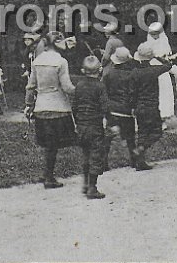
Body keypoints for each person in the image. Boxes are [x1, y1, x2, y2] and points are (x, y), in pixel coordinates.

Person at [24, 31, 77, 188]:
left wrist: (28, 104)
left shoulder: (37, 60)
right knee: (54, 144)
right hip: (58, 106)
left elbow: (30, 85)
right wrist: (81, 90)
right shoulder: (61, 61)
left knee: (48, 143)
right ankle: (49, 177)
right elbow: (67, 87)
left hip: (41, 106)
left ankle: (47, 173)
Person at [132, 42, 174, 170]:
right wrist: (157, 57)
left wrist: (133, 106)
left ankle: (140, 161)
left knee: (142, 132)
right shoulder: (154, 70)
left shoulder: (134, 72)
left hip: (139, 106)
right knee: (157, 132)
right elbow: (168, 65)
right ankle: (141, 149)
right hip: (151, 106)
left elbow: (132, 91)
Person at [72, 56, 109, 199]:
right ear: (100, 70)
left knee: (86, 154)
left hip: (81, 125)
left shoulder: (79, 85)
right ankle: (92, 188)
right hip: (95, 126)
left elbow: (74, 106)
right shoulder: (100, 86)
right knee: (96, 155)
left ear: (83, 70)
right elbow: (105, 106)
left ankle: (86, 184)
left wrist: (78, 121)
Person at [101, 47, 137, 169]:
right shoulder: (131, 75)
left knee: (108, 137)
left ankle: (104, 162)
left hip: (112, 109)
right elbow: (133, 93)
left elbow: (103, 92)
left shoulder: (108, 74)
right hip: (126, 110)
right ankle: (134, 159)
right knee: (130, 137)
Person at [146, 22, 175, 127]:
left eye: (156, 33)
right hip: (151, 70)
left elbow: (166, 59)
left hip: (162, 72)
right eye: (152, 33)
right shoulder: (148, 43)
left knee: (163, 94)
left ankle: (163, 119)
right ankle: (153, 118)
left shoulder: (164, 42)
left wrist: (158, 57)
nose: (154, 36)